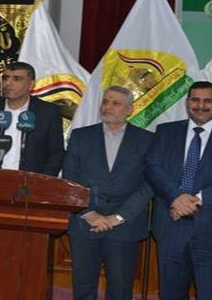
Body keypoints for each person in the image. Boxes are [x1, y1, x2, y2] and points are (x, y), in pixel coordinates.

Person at [144, 81, 212, 300]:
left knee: (211, 294)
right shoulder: (166, 131)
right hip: (171, 227)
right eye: (195, 100)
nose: (200, 106)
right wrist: (176, 197)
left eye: (207, 101)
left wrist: (196, 200)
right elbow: (152, 167)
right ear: (187, 102)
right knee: (170, 294)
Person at [63, 86, 154, 300]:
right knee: (83, 287)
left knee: (120, 289)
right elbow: (69, 179)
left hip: (124, 225)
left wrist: (119, 217)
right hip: (85, 222)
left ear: (130, 109)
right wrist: (88, 213)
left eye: (116, 103)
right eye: (105, 102)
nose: (108, 107)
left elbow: (149, 184)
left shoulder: (147, 140)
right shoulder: (81, 136)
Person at [0, 61, 64, 176]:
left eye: (17, 79)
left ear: (31, 84)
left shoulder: (48, 112)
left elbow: (56, 153)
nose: (8, 83)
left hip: (31, 181)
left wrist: (43, 180)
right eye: (5, 78)